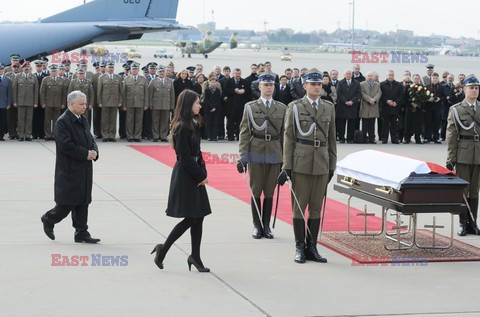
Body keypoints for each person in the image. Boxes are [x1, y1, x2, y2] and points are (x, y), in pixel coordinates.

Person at [277, 70, 336, 264]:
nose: (317, 87)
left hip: (321, 162)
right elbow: (288, 137)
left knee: (317, 208)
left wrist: (332, 164)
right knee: (299, 207)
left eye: (319, 84)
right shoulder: (294, 107)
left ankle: (313, 247)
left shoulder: (328, 107)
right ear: (305, 86)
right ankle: (299, 246)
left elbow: (331, 139)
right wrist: (287, 166)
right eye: (312, 84)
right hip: (301, 163)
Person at [150, 89, 211, 272]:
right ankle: (163, 249)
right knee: (191, 218)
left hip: (195, 171)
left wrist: (203, 171)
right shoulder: (181, 127)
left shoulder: (193, 123)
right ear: (187, 105)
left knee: (199, 217)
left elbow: (198, 152)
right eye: (197, 102)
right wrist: (200, 176)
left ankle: (195, 257)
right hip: (186, 175)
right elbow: (184, 157)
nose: (200, 105)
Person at [40, 91, 100, 243]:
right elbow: (65, 145)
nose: (84, 107)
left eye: (85, 104)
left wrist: (94, 151)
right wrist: (84, 153)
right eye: (81, 104)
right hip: (69, 168)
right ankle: (49, 219)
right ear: (71, 104)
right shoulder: (63, 122)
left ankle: (81, 231)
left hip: (84, 168)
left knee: (83, 201)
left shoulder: (83, 119)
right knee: (67, 202)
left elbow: (90, 138)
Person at [237, 74, 286, 239]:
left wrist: (286, 162)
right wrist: (243, 157)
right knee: (256, 190)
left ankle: (267, 225)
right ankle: (256, 225)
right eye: (266, 85)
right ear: (259, 87)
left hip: (274, 152)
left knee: (270, 191)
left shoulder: (281, 108)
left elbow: (285, 136)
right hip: (256, 152)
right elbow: (244, 134)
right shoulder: (250, 107)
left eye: (272, 85)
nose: (269, 88)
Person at [446, 76, 480, 236]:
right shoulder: (456, 109)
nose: (475, 90)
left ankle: (473, 223)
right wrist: (451, 159)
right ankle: (463, 224)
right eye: (471, 87)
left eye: (477, 88)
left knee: (475, 191)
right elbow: (452, 135)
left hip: (478, 154)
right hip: (463, 154)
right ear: (464, 89)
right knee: (463, 191)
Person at [12, 61, 39, 141]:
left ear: (30, 68)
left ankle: (27, 135)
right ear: (22, 68)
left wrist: (35, 102)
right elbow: (15, 90)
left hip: (30, 102)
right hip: (20, 102)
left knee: (29, 119)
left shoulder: (33, 77)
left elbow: (36, 91)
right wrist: (15, 101)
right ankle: (21, 135)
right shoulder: (18, 77)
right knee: (20, 119)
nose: (26, 68)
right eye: (25, 67)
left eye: (27, 66)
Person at [122, 63, 148, 142]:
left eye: (136, 69)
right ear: (130, 70)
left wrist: (146, 104)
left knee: (138, 120)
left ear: (138, 70)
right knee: (129, 120)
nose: (134, 70)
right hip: (130, 103)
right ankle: (130, 136)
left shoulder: (143, 79)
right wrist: (124, 104)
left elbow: (146, 92)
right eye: (133, 69)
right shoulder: (126, 79)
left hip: (140, 103)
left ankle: (137, 136)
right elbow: (124, 93)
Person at [148, 65, 175, 142]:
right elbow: (150, 94)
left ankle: (163, 136)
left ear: (165, 72)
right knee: (155, 121)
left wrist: (172, 105)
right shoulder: (153, 81)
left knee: (165, 121)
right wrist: (150, 104)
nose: (161, 73)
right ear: (157, 72)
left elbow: (172, 94)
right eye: (160, 72)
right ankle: (155, 136)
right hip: (156, 104)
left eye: (163, 71)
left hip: (166, 104)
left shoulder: (170, 81)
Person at [380, 70, 403, 144]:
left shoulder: (399, 84)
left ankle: (394, 139)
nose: (391, 76)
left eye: (392, 75)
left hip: (395, 107)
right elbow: (381, 95)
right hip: (385, 107)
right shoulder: (382, 84)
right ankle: (384, 138)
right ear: (386, 76)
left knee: (394, 124)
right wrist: (386, 101)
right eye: (389, 75)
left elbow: (401, 95)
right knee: (385, 124)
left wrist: (396, 102)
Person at [359, 71, 382, 144]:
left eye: (371, 76)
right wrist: (369, 99)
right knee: (364, 124)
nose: (370, 77)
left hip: (374, 106)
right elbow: (362, 93)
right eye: (368, 76)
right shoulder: (362, 84)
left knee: (372, 124)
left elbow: (379, 93)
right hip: (365, 105)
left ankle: (372, 138)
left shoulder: (377, 84)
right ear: (366, 77)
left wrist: (374, 99)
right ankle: (364, 138)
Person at [202, 73, 222, 141]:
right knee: (208, 122)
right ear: (209, 83)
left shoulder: (218, 91)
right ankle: (209, 136)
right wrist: (211, 107)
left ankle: (214, 136)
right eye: (212, 82)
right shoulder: (207, 90)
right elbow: (206, 100)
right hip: (208, 109)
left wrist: (215, 107)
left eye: (214, 82)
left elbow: (218, 100)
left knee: (215, 122)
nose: (213, 83)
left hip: (216, 109)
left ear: (216, 83)